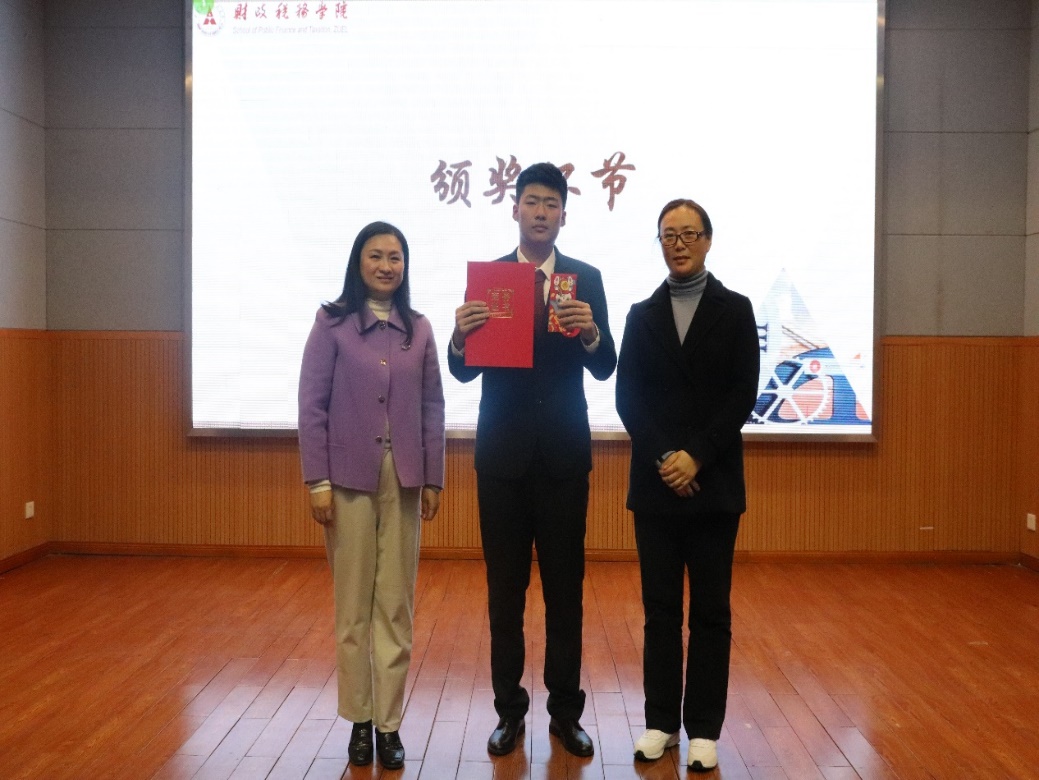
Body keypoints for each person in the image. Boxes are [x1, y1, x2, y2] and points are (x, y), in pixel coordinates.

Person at [448, 162, 617, 758]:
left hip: (564, 460)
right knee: (505, 593)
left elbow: (606, 365)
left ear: (564, 215)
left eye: (551, 203)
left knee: (566, 592)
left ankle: (566, 713)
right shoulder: (491, 280)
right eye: (532, 202)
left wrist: (591, 332)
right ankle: (508, 711)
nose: (541, 212)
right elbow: (462, 371)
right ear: (514, 209)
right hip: (502, 462)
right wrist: (459, 337)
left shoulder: (585, 278)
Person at [615, 199, 759, 772]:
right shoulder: (640, 314)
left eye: (688, 234)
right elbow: (628, 397)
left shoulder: (736, 309)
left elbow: (742, 393)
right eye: (668, 236)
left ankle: (703, 728)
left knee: (711, 612)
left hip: (714, 484)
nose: (678, 244)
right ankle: (659, 723)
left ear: (708, 240)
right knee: (659, 611)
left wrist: (696, 456)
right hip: (656, 487)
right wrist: (666, 458)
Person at [298, 221, 446, 771]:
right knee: (353, 607)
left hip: (404, 480)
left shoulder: (419, 329)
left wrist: (433, 477)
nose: (386, 266)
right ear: (358, 263)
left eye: (395, 257)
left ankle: (389, 724)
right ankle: (359, 720)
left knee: (396, 605)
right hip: (346, 481)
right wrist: (317, 481)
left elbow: (432, 407)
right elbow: (311, 404)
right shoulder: (332, 323)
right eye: (376, 256)